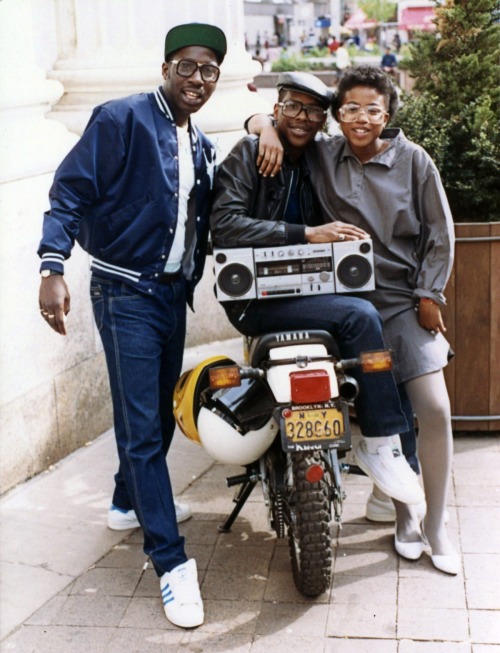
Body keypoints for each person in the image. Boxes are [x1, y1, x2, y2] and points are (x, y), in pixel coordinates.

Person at [37, 22, 228, 627]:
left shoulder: (199, 143)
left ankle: (126, 502)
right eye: (189, 67)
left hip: (173, 298)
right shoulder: (120, 119)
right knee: (143, 429)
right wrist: (52, 266)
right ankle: (170, 564)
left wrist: (261, 125)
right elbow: (69, 191)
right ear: (167, 67)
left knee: (156, 419)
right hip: (124, 293)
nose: (200, 80)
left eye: (211, 71)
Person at [249, 65, 458, 574]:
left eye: (372, 109)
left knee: (433, 407)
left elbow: (440, 230)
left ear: (386, 113)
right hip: (343, 302)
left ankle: (436, 523)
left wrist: (430, 292)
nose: (361, 119)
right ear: (336, 116)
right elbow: (264, 117)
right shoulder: (323, 154)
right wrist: (266, 126)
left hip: (402, 299)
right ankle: (405, 516)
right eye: (350, 109)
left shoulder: (414, 161)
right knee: (381, 409)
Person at [210, 71, 425, 512]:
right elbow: (225, 225)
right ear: (277, 109)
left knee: (378, 347)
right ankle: (381, 445)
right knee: (362, 319)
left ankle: (397, 461)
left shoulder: (318, 159)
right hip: (253, 301)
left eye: (313, 110)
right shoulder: (248, 155)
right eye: (292, 107)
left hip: (307, 292)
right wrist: (305, 233)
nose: (302, 118)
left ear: (324, 120)